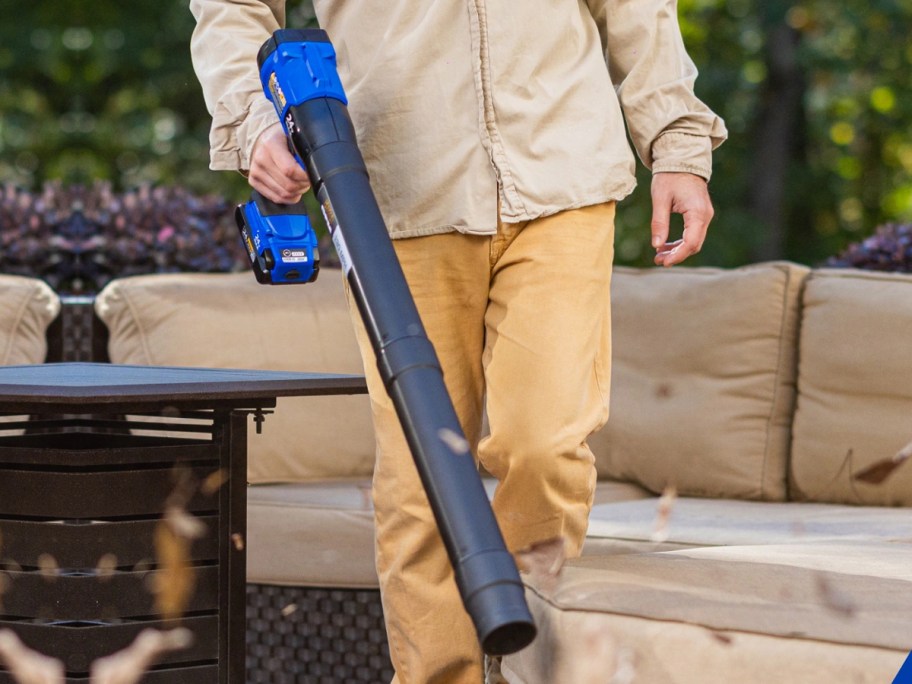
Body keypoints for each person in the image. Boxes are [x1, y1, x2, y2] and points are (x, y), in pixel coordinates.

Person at [189, 2, 727, 682]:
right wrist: (256, 121)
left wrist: (677, 144)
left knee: (545, 446)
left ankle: (522, 668)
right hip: (399, 190)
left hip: (562, 175)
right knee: (423, 480)